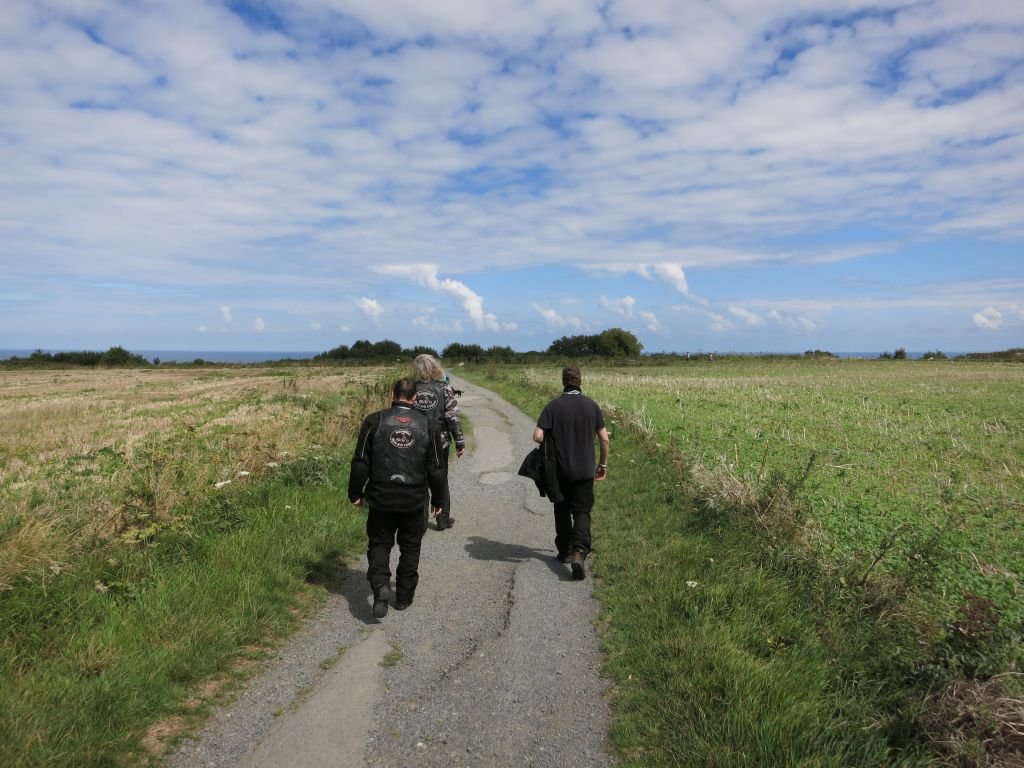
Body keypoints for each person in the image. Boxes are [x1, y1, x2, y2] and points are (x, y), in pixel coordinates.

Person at [349, 378, 445, 618]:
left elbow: (361, 461)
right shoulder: (429, 425)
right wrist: (439, 500)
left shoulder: (373, 421)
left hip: (381, 496)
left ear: (392, 395)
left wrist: (355, 493)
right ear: (415, 398)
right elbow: (436, 467)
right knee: (411, 546)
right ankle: (403, 596)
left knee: (379, 543)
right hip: (415, 498)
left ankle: (381, 583)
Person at [532, 366, 610, 581]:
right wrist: (602, 465)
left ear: (563, 382)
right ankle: (579, 552)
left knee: (562, 509)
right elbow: (604, 439)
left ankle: (565, 551)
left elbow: (537, 436)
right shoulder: (591, 405)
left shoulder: (553, 406)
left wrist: (552, 436)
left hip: (559, 471)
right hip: (585, 471)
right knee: (582, 511)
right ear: (580, 381)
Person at [412, 354, 466, 530]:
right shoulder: (445, 388)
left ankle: (420, 521)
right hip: (440, 441)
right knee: (440, 478)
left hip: (415, 441)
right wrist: (459, 442)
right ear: (435, 367)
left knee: (419, 480)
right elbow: (452, 417)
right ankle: (442, 519)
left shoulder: (411, 388)